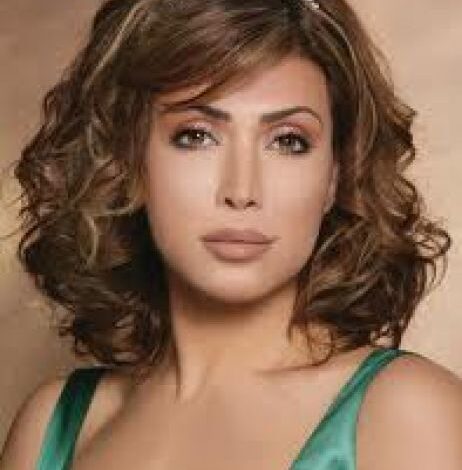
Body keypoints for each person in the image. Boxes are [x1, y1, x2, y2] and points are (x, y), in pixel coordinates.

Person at [1, 0, 462, 468]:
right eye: (196, 135)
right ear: (126, 160)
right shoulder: (51, 429)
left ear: (334, 178)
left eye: (288, 141)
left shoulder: (408, 414)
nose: (242, 191)